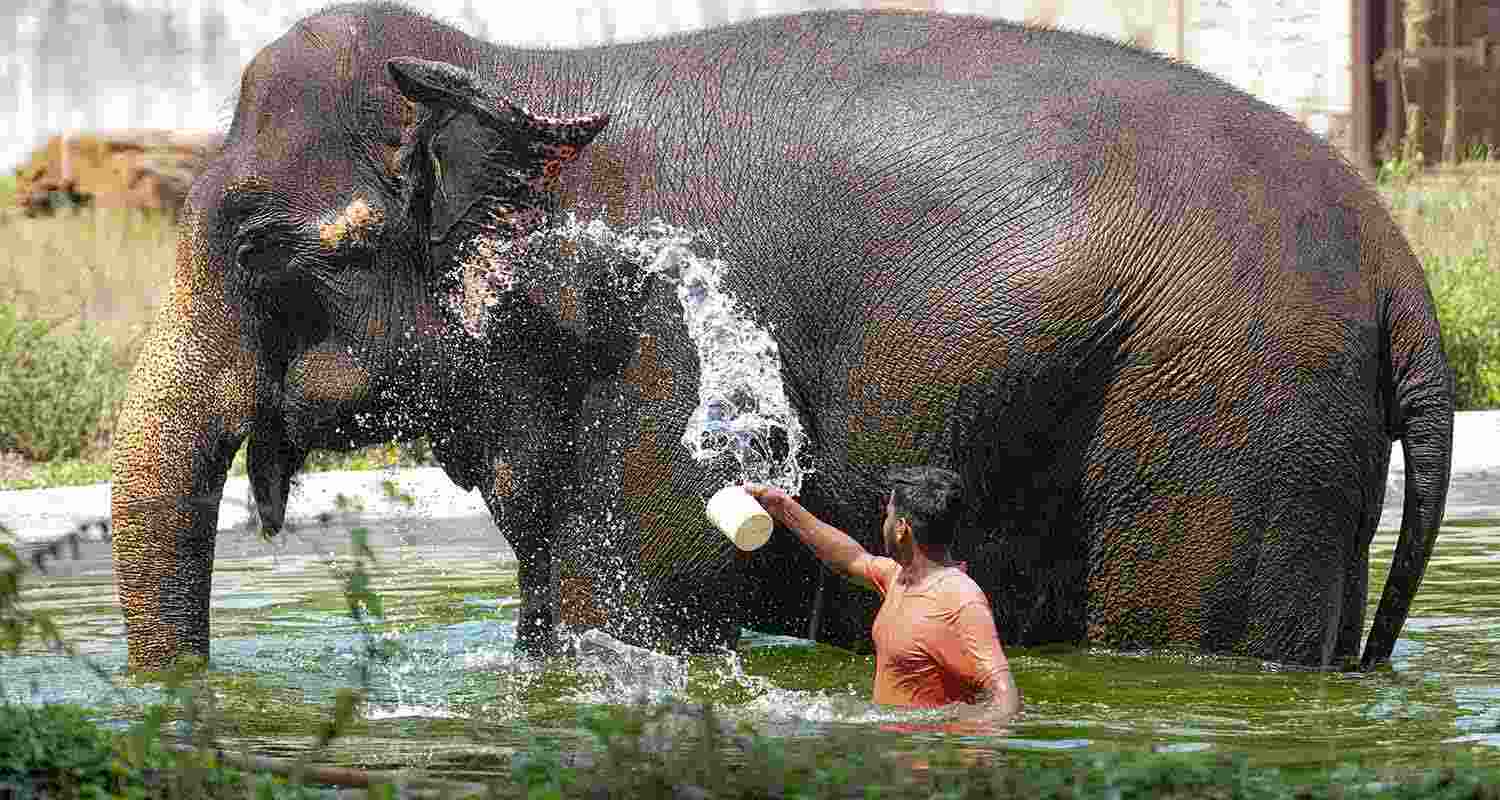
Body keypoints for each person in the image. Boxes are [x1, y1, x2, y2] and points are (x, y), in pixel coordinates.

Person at [746, 467, 1021, 715]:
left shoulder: (960, 598)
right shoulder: (898, 577)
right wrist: (783, 507)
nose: (884, 523)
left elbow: (1005, 698)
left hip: (930, 760)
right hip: (896, 754)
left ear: (902, 529)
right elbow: (852, 559)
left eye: (888, 515)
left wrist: (962, 753)